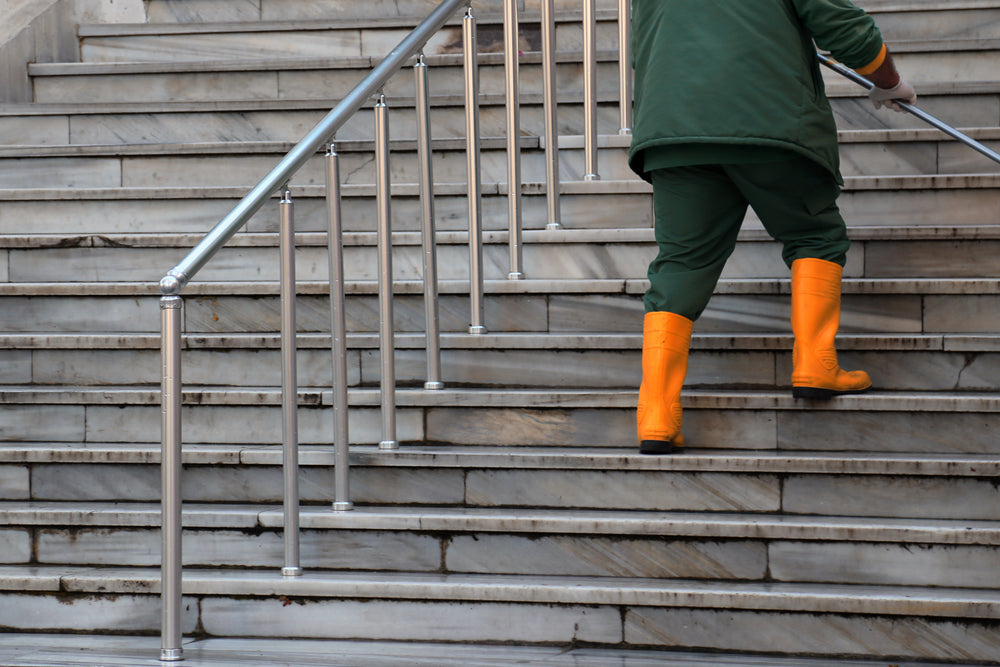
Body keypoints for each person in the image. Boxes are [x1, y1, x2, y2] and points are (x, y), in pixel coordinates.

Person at [629, 0, 916, 455]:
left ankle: (657, 415)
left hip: (675, 128)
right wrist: (891, 83)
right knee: (814, 235)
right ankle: (815, 364)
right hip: (768, 120)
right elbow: (844, 26)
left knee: (681, 266)